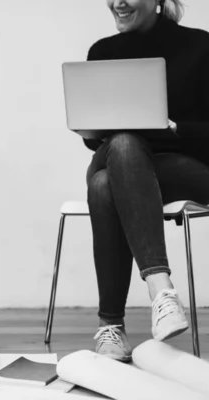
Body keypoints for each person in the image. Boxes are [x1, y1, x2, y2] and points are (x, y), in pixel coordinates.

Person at [84, 0, 209, 362]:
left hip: (184, 166)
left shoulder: (201, 47)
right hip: (121, 157)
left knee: (104, 186)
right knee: (123, 144)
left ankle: (112, 328)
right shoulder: (103, 52)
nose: (118, 2)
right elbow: (94, 140)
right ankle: (162, 292)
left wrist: (172, 127)